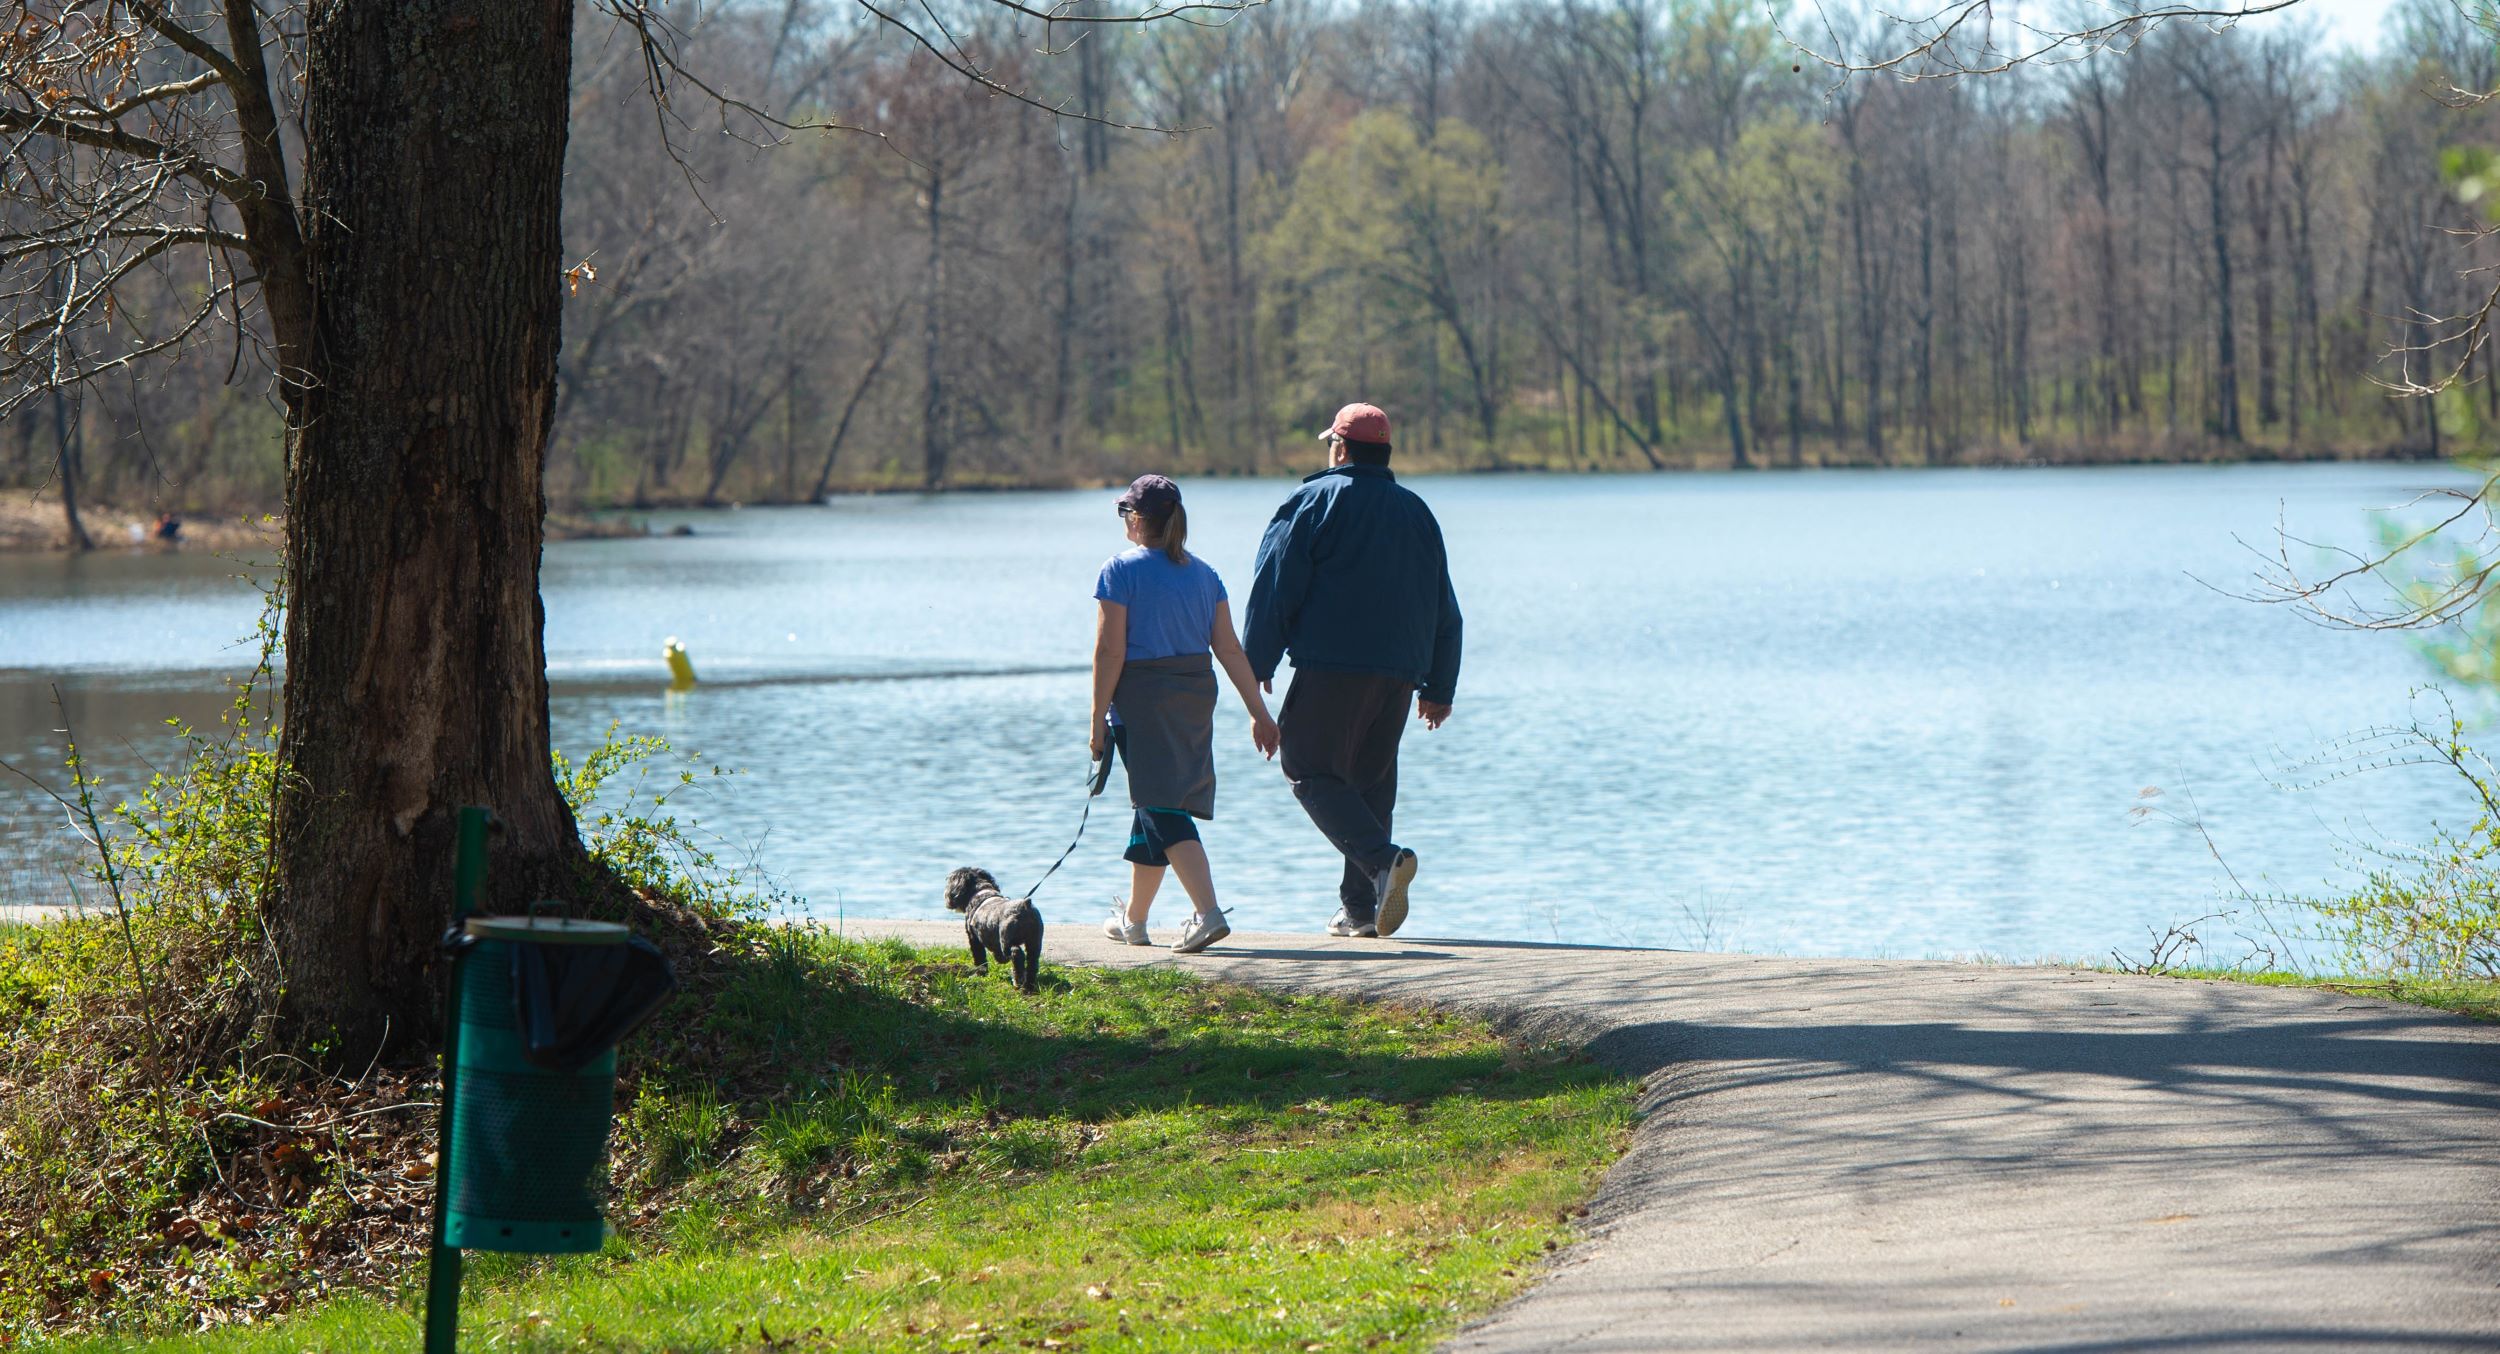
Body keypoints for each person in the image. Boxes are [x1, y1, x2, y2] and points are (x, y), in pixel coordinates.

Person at [1244, 403, 1461, 939]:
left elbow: (1276, 583)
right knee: (1368, 784)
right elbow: (1444, 606)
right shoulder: (1417, 511)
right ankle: (1362, 909)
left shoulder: (1313, 501)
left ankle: (1383, 862)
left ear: (1340, 449)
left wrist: (1256, 663)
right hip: (1400, 671)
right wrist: (1439, 685)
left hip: (1333, 664)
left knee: (1308, 768)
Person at [1090, 474, 1281, 955]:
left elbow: (1109, 652)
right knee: (1154, 806)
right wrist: (1260, 713)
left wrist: (1096, 722)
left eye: (1125, 512)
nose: (1123, 521)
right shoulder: (1205, 575)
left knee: (1163, 807)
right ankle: (1134, 921)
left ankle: (1208, 913)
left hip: (1144, 698)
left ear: (1138, 518)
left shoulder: (1119, 571)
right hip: (1195, 695)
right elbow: (1231, 651)